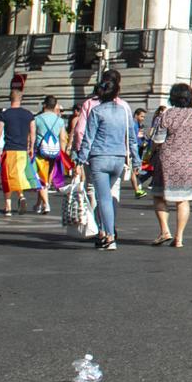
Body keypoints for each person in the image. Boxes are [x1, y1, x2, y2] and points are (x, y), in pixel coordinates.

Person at [81, 69, 137, 250]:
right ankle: (106, 231)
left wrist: (80, 158)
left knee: (102, 197)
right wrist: (136, 160)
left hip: (100, 156)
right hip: (119, 158)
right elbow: (132, 138)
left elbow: (88, 138)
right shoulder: (124, 110)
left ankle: (110, 236)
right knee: (107, 195)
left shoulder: (96, 111)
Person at [149, 83, 192, 248]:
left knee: (159, 195)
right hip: (190, 161)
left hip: (168, 160)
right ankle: (179, 237)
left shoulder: (167, 115)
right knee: (183, 200)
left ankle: (164, 230)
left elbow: (158, 139)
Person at [0, 88, 38, 218]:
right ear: (21, 99)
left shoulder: (4, 115)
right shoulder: (29, 114)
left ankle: (8, 206)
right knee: (18, 175)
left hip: (9, 149)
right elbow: (33, 132)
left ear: (10, 99)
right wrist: (31, 147)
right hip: (23, 150)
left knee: (7, 177)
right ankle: (21, 195)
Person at [30, 95, 65, 213]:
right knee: (46, 177)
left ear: (44, 105)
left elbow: (32, 136)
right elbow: (63, 138)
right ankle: (38, 204)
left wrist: (30, 148)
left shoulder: (37, 119)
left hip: (41, 151)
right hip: (54, 152)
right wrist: (63, 153)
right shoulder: (59, 120)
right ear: (55, 106)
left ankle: (46, 204)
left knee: (40, 178)